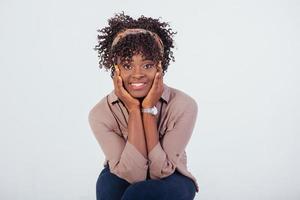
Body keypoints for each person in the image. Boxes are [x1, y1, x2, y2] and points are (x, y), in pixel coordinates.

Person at [88, 12, 199, 200]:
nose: (137, 74)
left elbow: (161, 171)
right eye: (128, 65)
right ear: (116, 70)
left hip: (172, 176)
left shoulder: (183, 105)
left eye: (147, 65)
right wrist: (133, 110)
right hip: (121, 172)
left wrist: (147, 109)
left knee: (141, 193)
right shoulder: (100, 114)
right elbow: (133, 174)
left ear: (159, 67)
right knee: (108, 187)